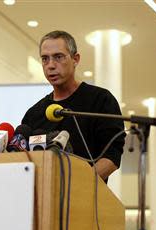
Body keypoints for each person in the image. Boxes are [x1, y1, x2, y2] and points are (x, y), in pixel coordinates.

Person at [22, 30, 125, 181]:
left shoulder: (100, 100)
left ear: (75, 59)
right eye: (45, 59)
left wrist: (78, 185)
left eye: (58, 57)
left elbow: (112, 155)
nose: (50, 65)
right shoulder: (34, 113)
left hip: (86, 198)